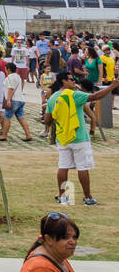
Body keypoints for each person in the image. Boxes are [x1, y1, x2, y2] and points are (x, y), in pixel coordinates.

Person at [46, 75, 119, 205]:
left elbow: (47, 119)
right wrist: (112, 87)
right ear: (64, 81)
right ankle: (87, 197)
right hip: (79, 137)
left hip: (63, 137)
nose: (74, 81)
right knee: (82, 167)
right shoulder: (73, 95)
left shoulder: (52, 98)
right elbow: (95, 97)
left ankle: (62, 196)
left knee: (63, 166)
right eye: (71, 79)